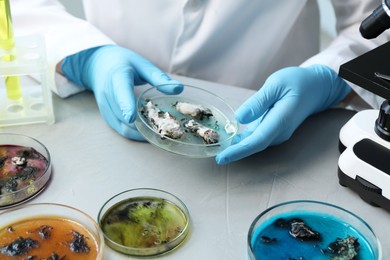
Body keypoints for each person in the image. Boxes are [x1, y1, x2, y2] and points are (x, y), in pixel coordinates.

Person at [11, 0, 390, 164]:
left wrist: (331, 76)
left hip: (272, 119)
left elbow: (373, 26)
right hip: (96, 105)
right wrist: (82, 54)